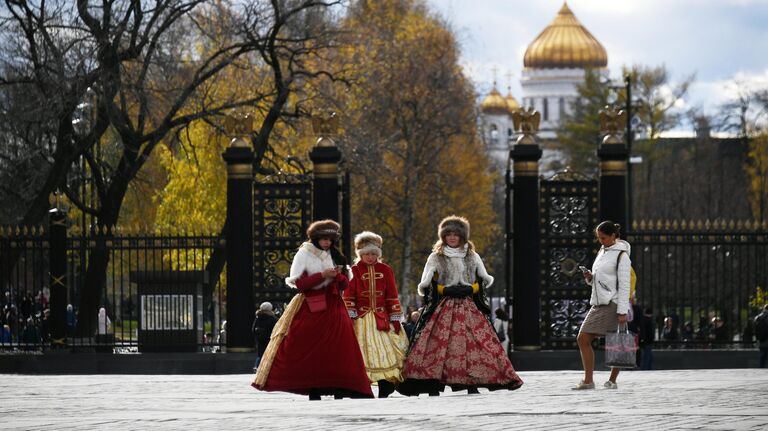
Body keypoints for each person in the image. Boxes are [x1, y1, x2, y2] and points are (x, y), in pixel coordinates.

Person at [398, 215, 523, 396]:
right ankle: (433, 384)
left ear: (462, 236)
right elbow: (426, 284)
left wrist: (470, 288)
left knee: (474, 344)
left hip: (468, 306)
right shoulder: (436, 257)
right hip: (443, 306)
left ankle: (472, 383)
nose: (452, 237)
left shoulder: (472, 256)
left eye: (456, 234)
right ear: (443, 236)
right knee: (437, 345)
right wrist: (444, 289)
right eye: (448, 234)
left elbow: (483, 280)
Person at [252, 219, 373, 400]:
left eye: (330, 239)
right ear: (315, 238)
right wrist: (322, 275)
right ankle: (313, 386)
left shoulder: (336, 255)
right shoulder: (304, 254)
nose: (327, 243)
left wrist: (338, 277)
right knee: (310, 346)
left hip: (334, 305)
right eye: (323, 239)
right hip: (312, 304)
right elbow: (299, 284)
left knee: (341, 347)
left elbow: (345, 283)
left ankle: (341, 385)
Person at [343, 231, 409, 398]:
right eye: (366, 254)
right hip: (361, 318)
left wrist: (395, 316)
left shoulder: (385, 270)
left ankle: (385, 384)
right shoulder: (354, 270)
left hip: (382, 318)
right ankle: (361, 386)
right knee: (362, 351)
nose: (370, 257)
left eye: (373, 254)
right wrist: (350, 314)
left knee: (385, 351)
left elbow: (392, 294)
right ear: (360, 254)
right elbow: (348, 294)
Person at [574, 220, 631, 390]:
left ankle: (608, 380)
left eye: (604, 237)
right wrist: (590, 278)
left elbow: (624, 285)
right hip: (599, 301)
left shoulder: (622, 255)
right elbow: (603, 279)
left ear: (614, 236)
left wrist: (622, 311)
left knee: (613, 340)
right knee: (589, 338)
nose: (601, 241)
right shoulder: (602, 251)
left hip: (612, 303)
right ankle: (592, 380)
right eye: (599, 238)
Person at [251, 302, 278, 371]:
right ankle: (268, 368)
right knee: (270, 354)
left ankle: (257, 366)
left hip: (260, 340)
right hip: (269, 339)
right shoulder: (273, 319)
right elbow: (276, 329)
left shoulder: (258, 317)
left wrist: (257, 336)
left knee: (260, 354)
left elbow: (253, 329)